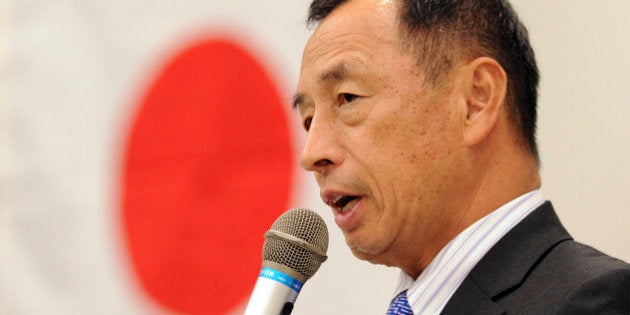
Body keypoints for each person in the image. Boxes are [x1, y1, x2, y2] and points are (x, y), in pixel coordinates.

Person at [292, 0, 630, 313]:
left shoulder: (595, 303)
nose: (312, 154)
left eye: (347, 98)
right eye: (308, 120)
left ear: (475, 101)